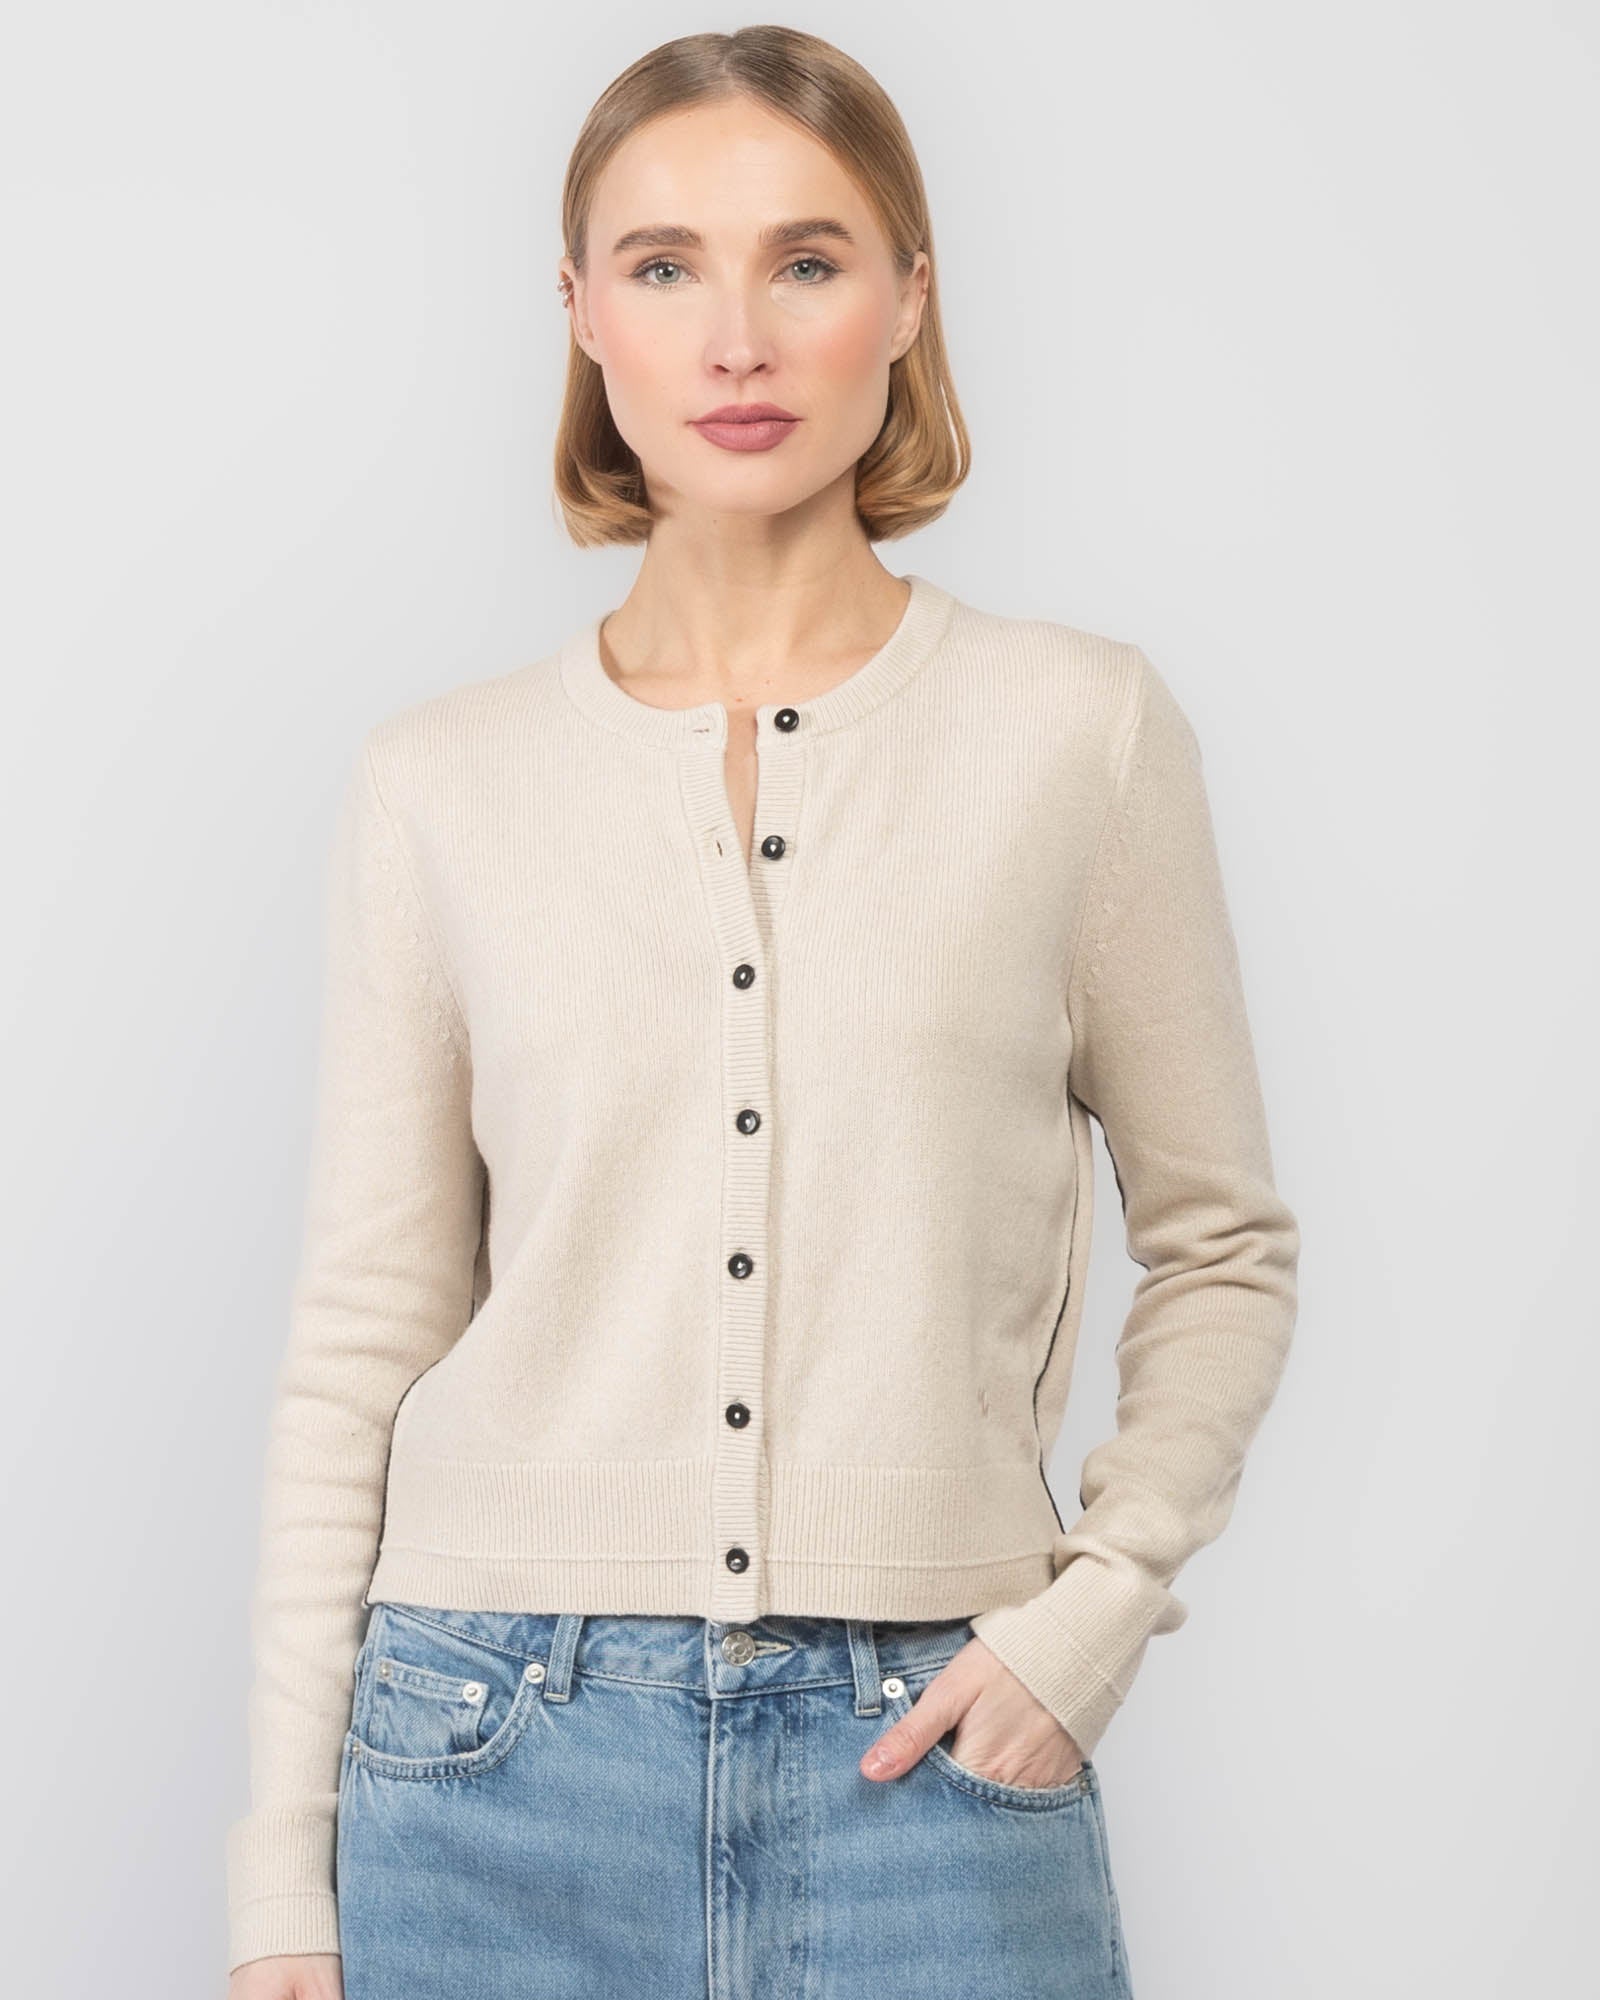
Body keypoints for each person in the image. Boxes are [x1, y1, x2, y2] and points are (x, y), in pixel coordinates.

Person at [224, 25, 1300, 2000]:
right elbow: (366, 1330)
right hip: (488, 1763)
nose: (736, 340)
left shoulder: (1075, 736)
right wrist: (281, 1875)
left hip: (934, 1769)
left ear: (909, 297)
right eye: (664, 266)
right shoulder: (439, 784)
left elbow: (1222, 1243)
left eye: (806, 261)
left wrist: (1093, 1612)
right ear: (581, 312)